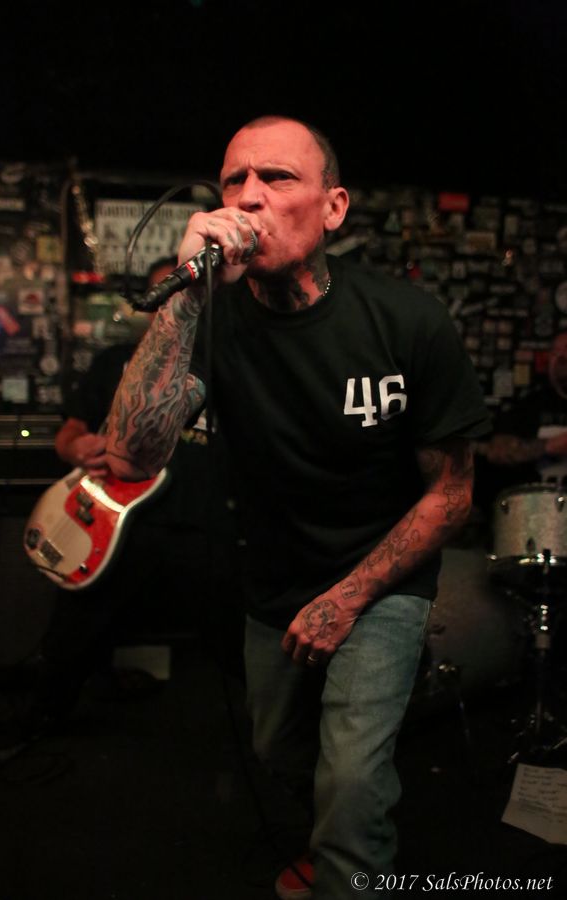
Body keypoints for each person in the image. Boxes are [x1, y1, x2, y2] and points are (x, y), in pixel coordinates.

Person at [104, 116, 491, 900]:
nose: (248, 197)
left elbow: (451, 494)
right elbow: (130, 455)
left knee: (350, 777)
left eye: (277, 177)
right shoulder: (209, 320)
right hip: (273, 581)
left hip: (381, 576)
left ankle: (350, 863)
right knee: (279, 751)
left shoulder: (405, 321)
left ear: (333, 207)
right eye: (234, 180)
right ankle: (339, 841)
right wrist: (185, 295)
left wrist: (347, 599)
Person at [0, 258, 241, 763]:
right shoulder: (115, 362)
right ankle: (43, 714)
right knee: (73, 631)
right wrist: (77, 448)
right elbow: (69, 433)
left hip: (200, 523)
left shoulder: (232, 365)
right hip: (117, 521)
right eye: (168, 294)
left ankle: (282, 739)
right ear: (150, 305)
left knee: (239, 635)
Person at [485, 332, 567, 483]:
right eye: (555, 352)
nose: (562, 356)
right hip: (537, 494)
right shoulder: (532, 403)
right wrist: (550, 446)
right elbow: (496, 451)